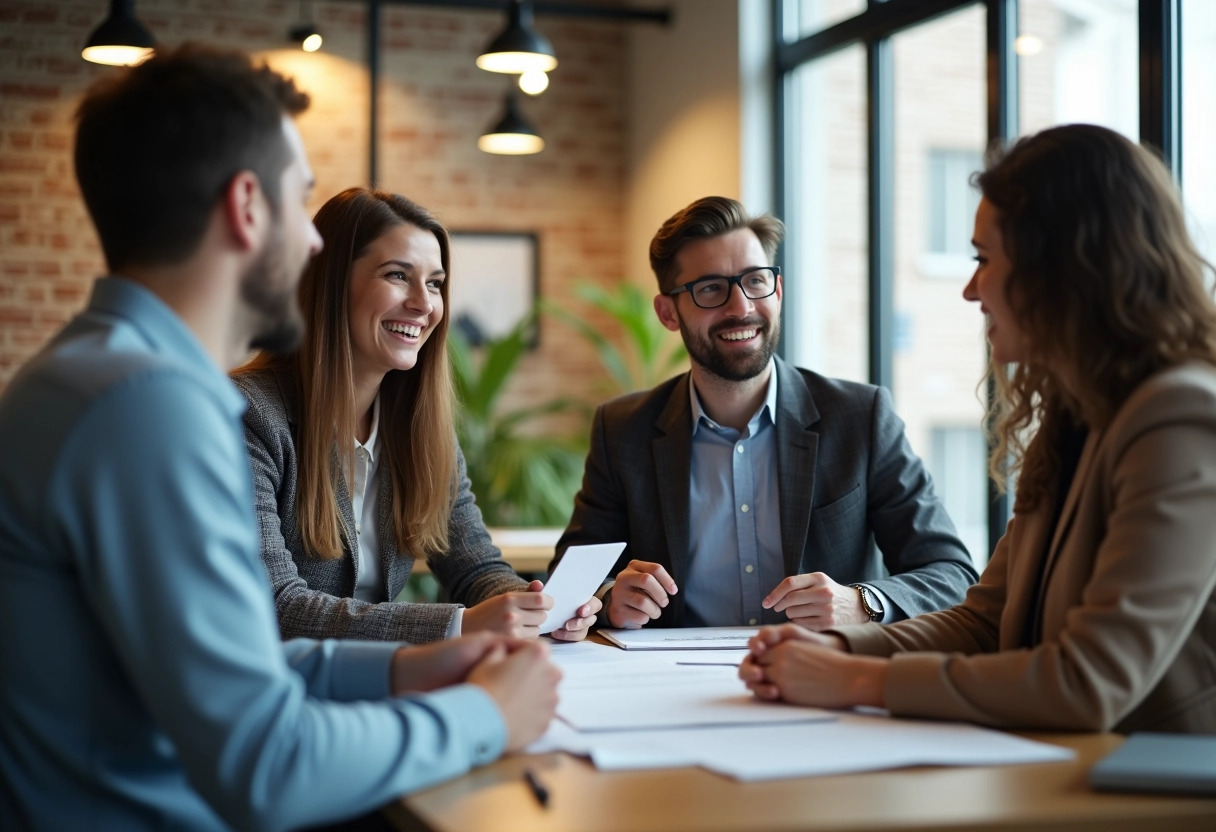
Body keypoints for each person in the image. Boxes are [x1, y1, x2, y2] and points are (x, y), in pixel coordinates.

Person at [0, 45, 561, 831]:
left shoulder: (93, 376)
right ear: (246, 208)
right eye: (302, 204)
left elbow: (237, 667)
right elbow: (268, 764)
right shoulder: (149, 408)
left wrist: (409, 667)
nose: (313, 245)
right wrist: (486, 719)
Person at [739, 124, 1216, 734]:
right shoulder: (1075, 415)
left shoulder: (1178, 418)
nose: (970, 290)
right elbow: (985, 623)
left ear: (1065, 269)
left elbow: (1089, 682)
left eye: (984, 260)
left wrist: (858, 681)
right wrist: (839, 650)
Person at [552, 196, 978, 630]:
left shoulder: (860, 418)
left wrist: (862, 602)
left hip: (823, 679)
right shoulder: (623, 430)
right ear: (668, 313)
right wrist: (608, 599)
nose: (741, 307)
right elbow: (571, 583)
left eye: (755, 281)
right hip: (674, 685)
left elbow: (952, 575)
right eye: (711, 288)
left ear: (778, 290)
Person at [232, 187, 600, 644]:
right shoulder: (248, 415)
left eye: (434, 283)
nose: (425, 305)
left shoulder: (420, 431)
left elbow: (476, 568)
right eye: (397, 275)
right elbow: (274, 607)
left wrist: (538, 607)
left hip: (373, 682)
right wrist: (458, 624)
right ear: (329, 285)